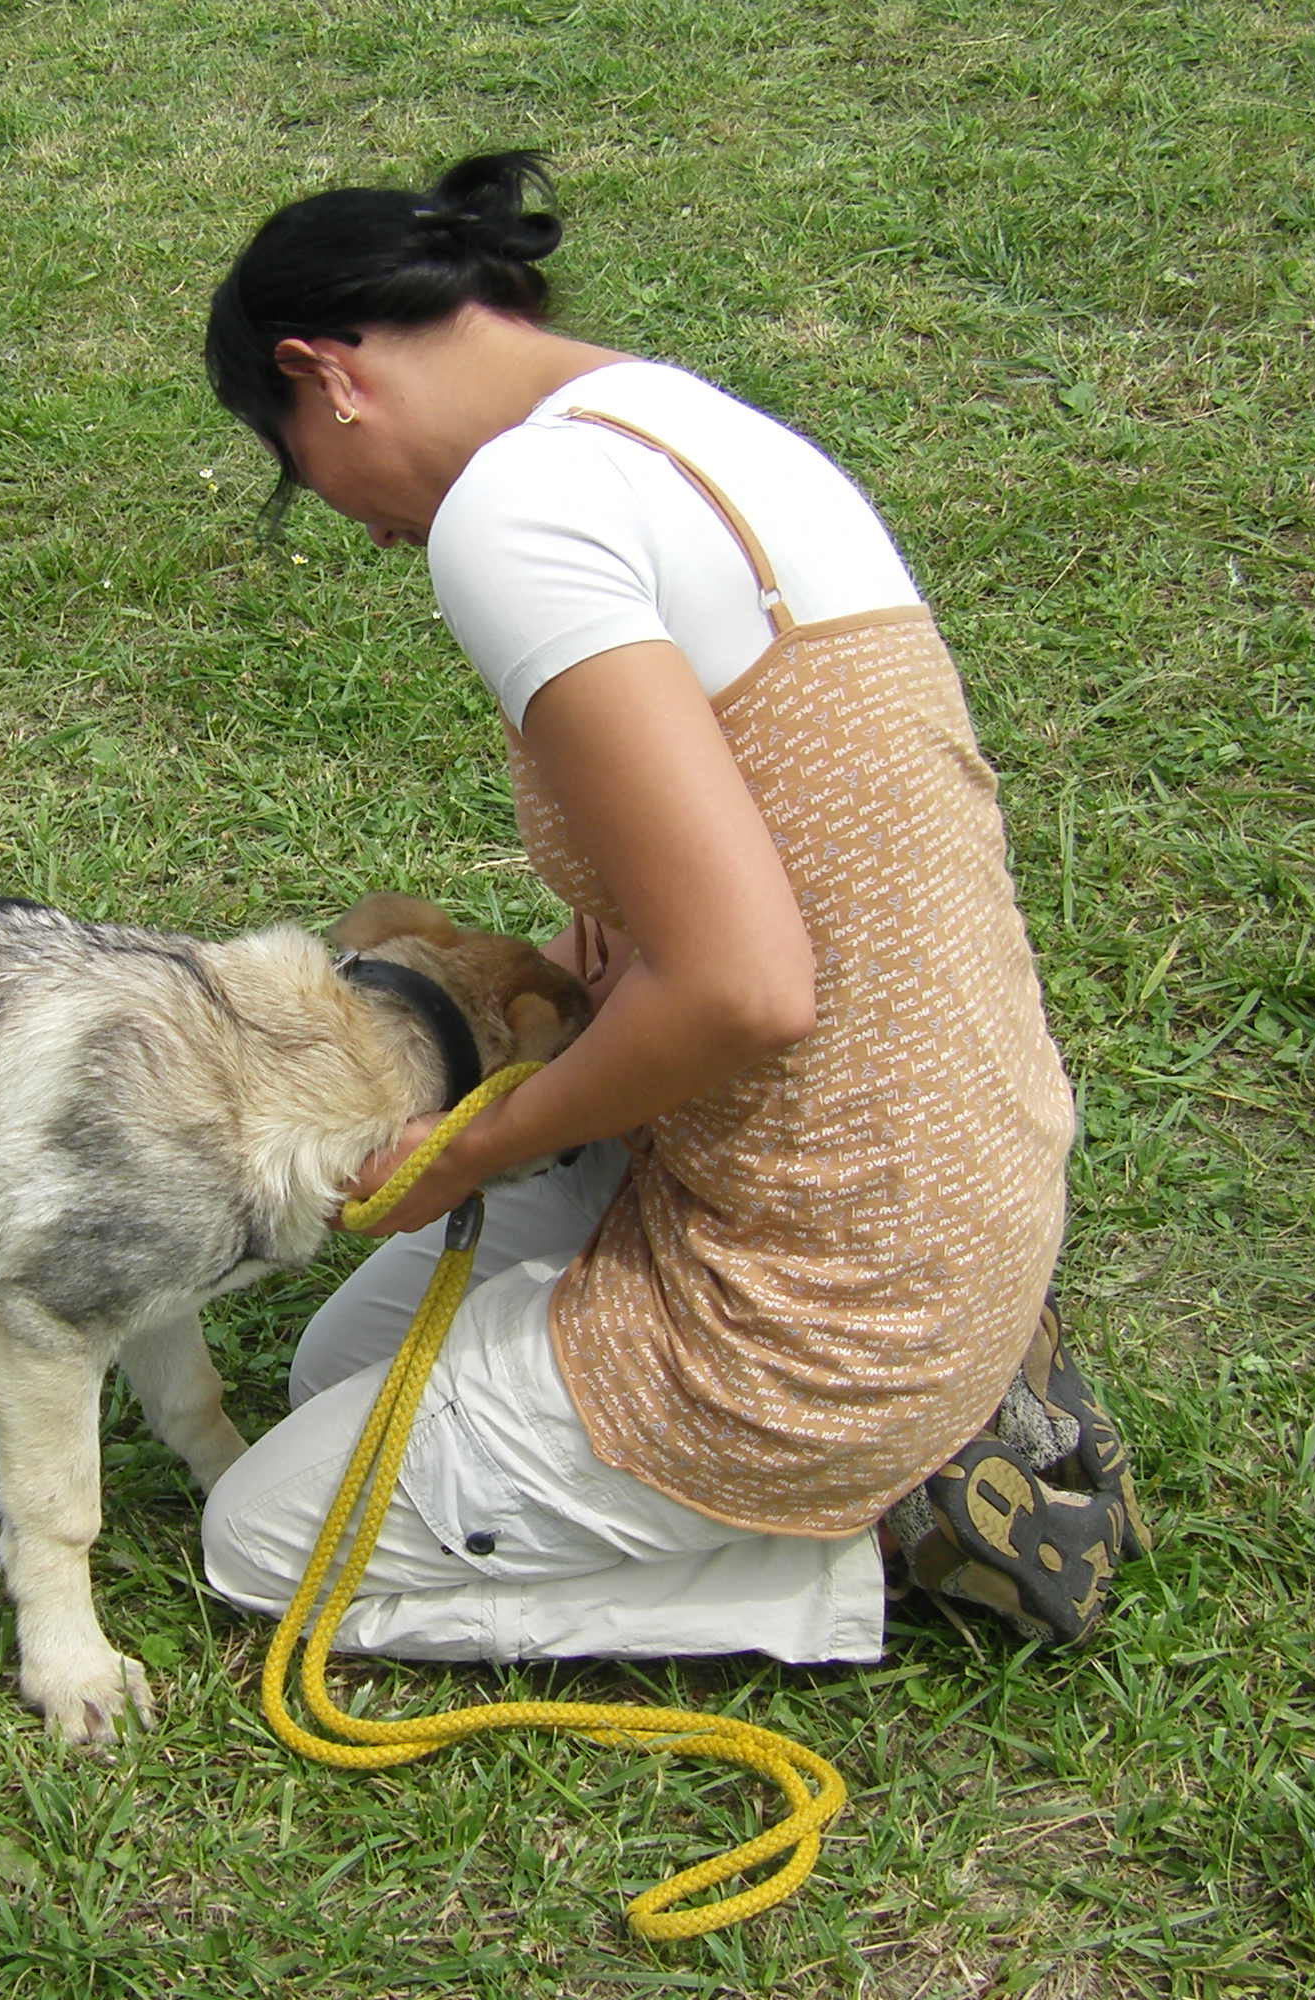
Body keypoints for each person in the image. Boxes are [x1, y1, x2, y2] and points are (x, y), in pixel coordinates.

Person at [193, 151, 1148, 1665]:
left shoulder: (512, 513)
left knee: (262, 1542)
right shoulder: (691, 426)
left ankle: (863, 1553)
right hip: (953, 1185)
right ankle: (928, 1400)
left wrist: (467, 1153)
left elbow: (744, 989)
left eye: (290, 456)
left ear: (327, 376)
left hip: (827, 1293)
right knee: (332, 1373)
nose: (347, 521)